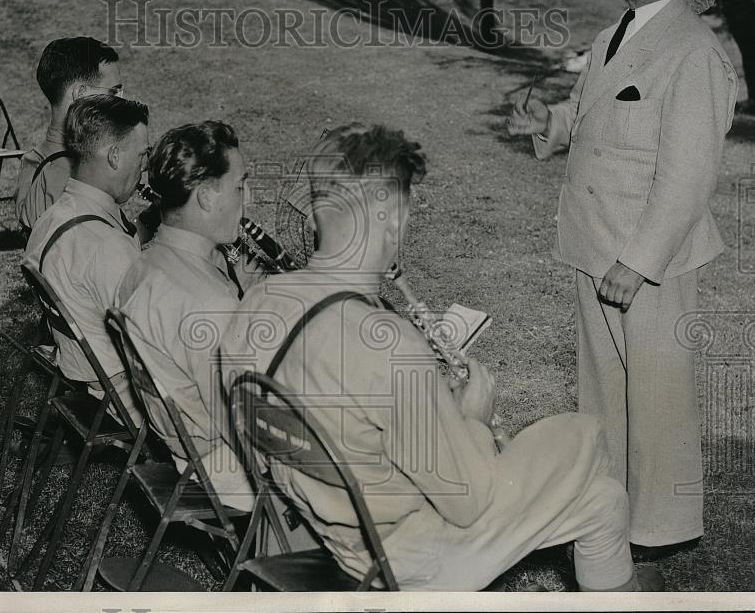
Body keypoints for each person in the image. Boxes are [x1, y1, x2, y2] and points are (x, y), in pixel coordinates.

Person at [219, 123, 663, 591]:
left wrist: (430, 406)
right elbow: (466, 501)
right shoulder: (386, 342)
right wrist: (472, 417)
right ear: (389, 216)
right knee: (584, 434)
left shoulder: (257, 302)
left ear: (315, 215)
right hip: (406, 558)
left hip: (327, 529)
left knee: (603, 501)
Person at [508, 0, 737, 561]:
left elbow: (689, 175)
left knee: (657, 390)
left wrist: (638, 261)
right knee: (605, 388)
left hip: (648, 255)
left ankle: (662, 530)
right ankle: (612, 512)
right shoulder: (616, 33)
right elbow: (589, 117)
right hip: (593, 238)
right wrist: (546, 126)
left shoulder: (693, 50)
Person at [115, 121, 256, 510]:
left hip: (187, 448)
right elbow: (248, 426)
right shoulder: (210, 304)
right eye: (241, 186)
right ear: (208, 197)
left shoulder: (143, 265)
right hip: (232, 471)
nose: (248, 200)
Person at [25, 94, 150, 425]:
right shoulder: (107, 246)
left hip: (83, 374)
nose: (144, 168)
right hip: (130, 402)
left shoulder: (51, 219)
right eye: (142, 156)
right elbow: (156, 344)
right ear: (113, 156)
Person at [15, 36, 123, 237]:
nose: (120, 101)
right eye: (113, 92)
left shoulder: (37, 160)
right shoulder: (69, 173)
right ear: (81, 94)